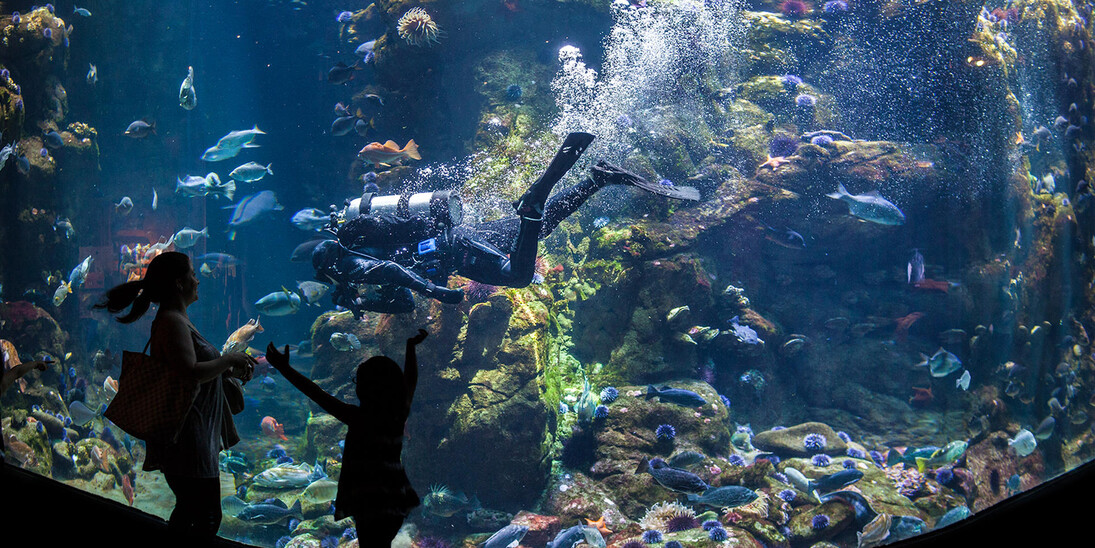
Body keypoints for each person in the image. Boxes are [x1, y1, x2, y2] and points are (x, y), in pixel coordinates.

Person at [313, 132, 700, 316]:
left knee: (519, 275)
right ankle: (597, 178)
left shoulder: (351, 265)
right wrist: (363, 303)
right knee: (539, 228)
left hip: (457, 252)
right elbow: (401, 301)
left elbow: (394, 271)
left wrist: (434, 291)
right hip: (459, 237)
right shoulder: (356, 258)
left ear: (330, 266)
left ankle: (530, 204)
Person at [94, 251, 256, 539]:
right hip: (187, 438)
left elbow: (193, 368)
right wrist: (229, 361)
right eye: (193, 274)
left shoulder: (177, 318)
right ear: (179, 284)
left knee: (194, 512)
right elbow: (189, 371)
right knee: (204, 516)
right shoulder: (171, 320)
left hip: (196, 437)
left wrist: (228, 368)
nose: (197, 280)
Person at [263, 329, 427, 545]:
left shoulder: (359, 417)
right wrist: (410, 347)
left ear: (367, 388)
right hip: (394, 496)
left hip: (367, 498)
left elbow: (315, 392)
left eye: (357, 381)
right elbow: (410, 381)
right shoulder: (396, 414)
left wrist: (284, 368)